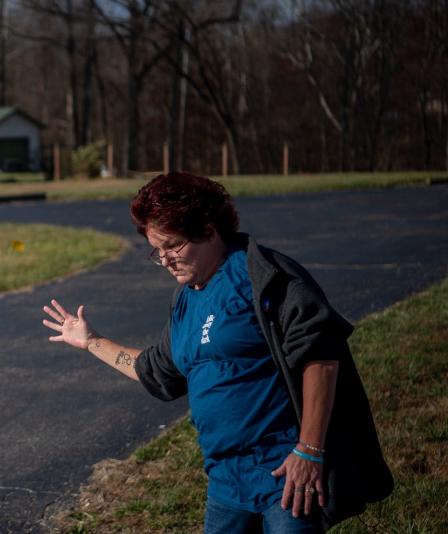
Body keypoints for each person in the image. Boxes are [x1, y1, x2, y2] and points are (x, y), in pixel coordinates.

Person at [42, 172, 392, 533]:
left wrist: (309, 450)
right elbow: (157, 372)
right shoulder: (186, 299)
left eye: (173, 246)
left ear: (208, 230)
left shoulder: (264, 276)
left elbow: (321, 355)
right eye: (156, 251)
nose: (165, 260)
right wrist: (90, 340)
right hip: (225, 483)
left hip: (284, 478)